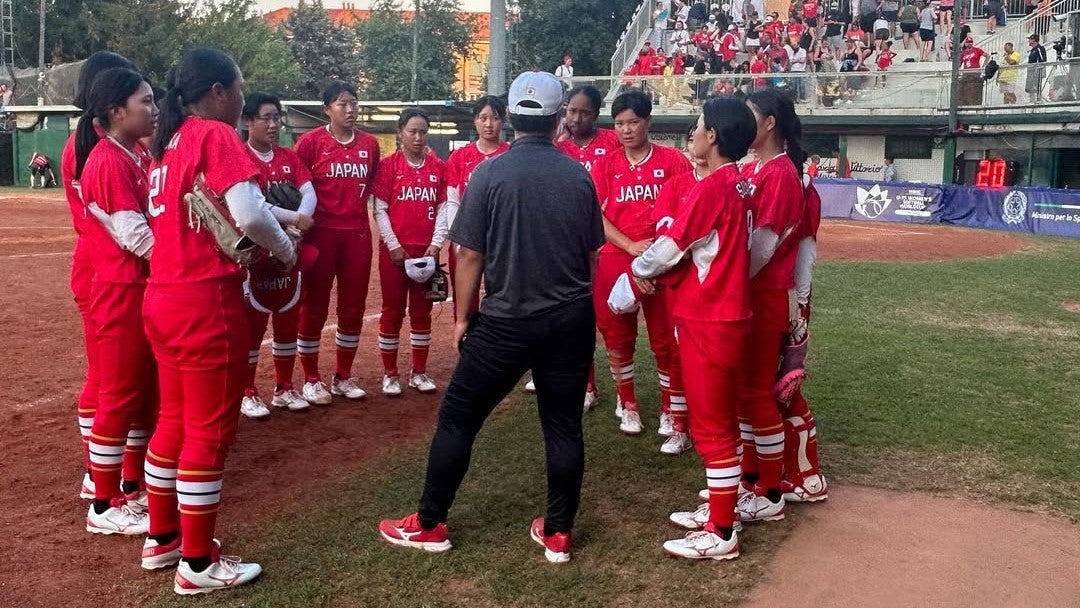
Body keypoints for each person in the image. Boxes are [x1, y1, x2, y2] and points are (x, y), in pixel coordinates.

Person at [378, 71, 604, 564]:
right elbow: (591, 257)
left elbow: (470, 256)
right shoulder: (578, 174)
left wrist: (463, 318)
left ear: (512, 116)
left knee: (458, 418)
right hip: (570, 318)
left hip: (506, 319)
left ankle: (431, 522)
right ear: (556, 115)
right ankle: (559, 532)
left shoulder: (489, 174)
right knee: (563, 426)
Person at [143, 48, 295, 594]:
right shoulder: (212, 134)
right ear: (217, 91)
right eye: (238, 87)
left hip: (163, 297)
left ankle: (163, 540)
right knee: (208, 432)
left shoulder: (169, 144)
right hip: (204, 301)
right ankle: (199, 565)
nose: (242, 97)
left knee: (175, 422)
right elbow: (251, 214)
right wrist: (286, 251)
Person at [629, 97, 758, 559]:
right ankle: (724, 511)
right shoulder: (737, 184)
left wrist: (637, 270)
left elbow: (670, 247)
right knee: (722, 420)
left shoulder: (712, 187)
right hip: (725, 316)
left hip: (709, 319)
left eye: (700, 126)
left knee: (712, 428)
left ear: (715, 137)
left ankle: (721, 531)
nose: (695, 133)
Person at [74, 67, 158, 536]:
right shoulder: (106, 160)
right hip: (122, 291)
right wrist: (189, 259)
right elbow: (136, 238)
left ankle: (131, 487)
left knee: (143, 397)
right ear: (115, 111)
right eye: (144, 101)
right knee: (119, 395)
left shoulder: (137, 153)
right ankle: (103, 505)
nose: (154, 109)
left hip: (142, 289)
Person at [61, 51, 140, 502]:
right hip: (104, 265)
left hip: (101, 260)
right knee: (109, 378)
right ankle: (99, 472)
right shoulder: (95, 148)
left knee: (116, 377)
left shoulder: (94, 142)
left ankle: (109, 468)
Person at [591, 91, 691, 437]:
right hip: (618, 258)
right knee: (618, 336)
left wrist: (656, 257)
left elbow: (686, 214)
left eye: (633, 122)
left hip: (665, 262)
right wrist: (630, 245)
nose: (626, 130)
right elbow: (598, 217)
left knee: (666, 340)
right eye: (619, 124)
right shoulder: (606, 165)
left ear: (648, 121)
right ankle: (628, 404)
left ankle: (669, 407)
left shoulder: (674, 161)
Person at [734, 89, 808, 524]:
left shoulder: (779, 173)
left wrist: (726, 279)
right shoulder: (758, 168)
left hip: (763, 298)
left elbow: (763, 244)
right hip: (752, 296)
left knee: (757, 394)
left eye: (751, 116)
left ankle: (771, 491)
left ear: (770, 124)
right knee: (746, 393)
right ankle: (750, 480)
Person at [294, 81, 381, 404]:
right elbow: (298, 186)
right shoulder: (310, 143)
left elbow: (370, 183)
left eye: (353, 102)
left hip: (357, 232)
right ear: (326, 109)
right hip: (322, 232)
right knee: (314, 304)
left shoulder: (370, 145)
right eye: (342, 103)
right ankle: (311, 377)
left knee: (353, 305)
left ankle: (343, 375)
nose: (350, 109)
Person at [239, 92, 317, 417]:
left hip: (291, 247)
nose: (273, 125)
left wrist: (299, 225)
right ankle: (247, 391)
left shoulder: (288, 157)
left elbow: (309, 191)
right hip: (255, 255)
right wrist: (292, 219)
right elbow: (254, 207)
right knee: (253, 325)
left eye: (276, 118)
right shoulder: (239, 158)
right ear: (248, 121)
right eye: (266, 118)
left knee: (287, 320)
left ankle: (284, 387)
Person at [371, 108, 447, 397]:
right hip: (396, 254)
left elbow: (442, 208)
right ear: (400, 132)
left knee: (422, 311)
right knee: (392, 311)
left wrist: (436, 243)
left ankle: (419, 372)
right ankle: (390, 373)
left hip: (426, 251)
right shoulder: (389, 167)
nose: (418, 137)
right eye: (412, 131)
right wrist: (394, 245)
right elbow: (380, 209)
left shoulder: (437, 168)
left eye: (423, 132)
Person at [556, 85, 620, 411]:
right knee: (576, 317)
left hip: (609, 243)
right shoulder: (557, 148)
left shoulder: (613, 142)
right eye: (571, 111)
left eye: (583, 112)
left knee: (609, 319)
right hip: (569, 245)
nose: (576, 118)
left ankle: (624, 388)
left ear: (596, 114)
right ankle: (587, 385)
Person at [445, 96, 509, 320]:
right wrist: (457, 239)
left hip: (500, 239)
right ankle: (466, 348)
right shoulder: (460, 157)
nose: (489, 124)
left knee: (502, 297)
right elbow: (452, 200)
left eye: (495, 118)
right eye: (483, 118)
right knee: (464, 300)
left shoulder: (510, 155)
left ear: (504, 121)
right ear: (475, 121)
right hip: (468, 236)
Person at [958, 37, 988, 106]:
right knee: (966, 90)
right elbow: (960, 63)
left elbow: (987, 56)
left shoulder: (977, 50)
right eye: (968, 42)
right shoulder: (963, 53)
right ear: (965, 43)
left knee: (974, 90)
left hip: (975, 73)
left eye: (971, 42)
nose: (969, 43)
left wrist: (983, 66)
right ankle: (966, 103)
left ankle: (974, 104)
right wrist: (959, 71)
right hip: (966, 74)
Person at [1025, 34, 1047, 103]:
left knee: (1036, 89)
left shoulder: (1039, 48)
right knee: (1030, 89)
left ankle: (1038, 101)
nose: (1028, 41)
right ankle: (1032, 102)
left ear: (1033, 40)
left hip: (1036, 73)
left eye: (1030, 39)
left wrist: (1038, 71)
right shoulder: (1032, 50)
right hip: (1031, 73)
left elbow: (1042, 60)